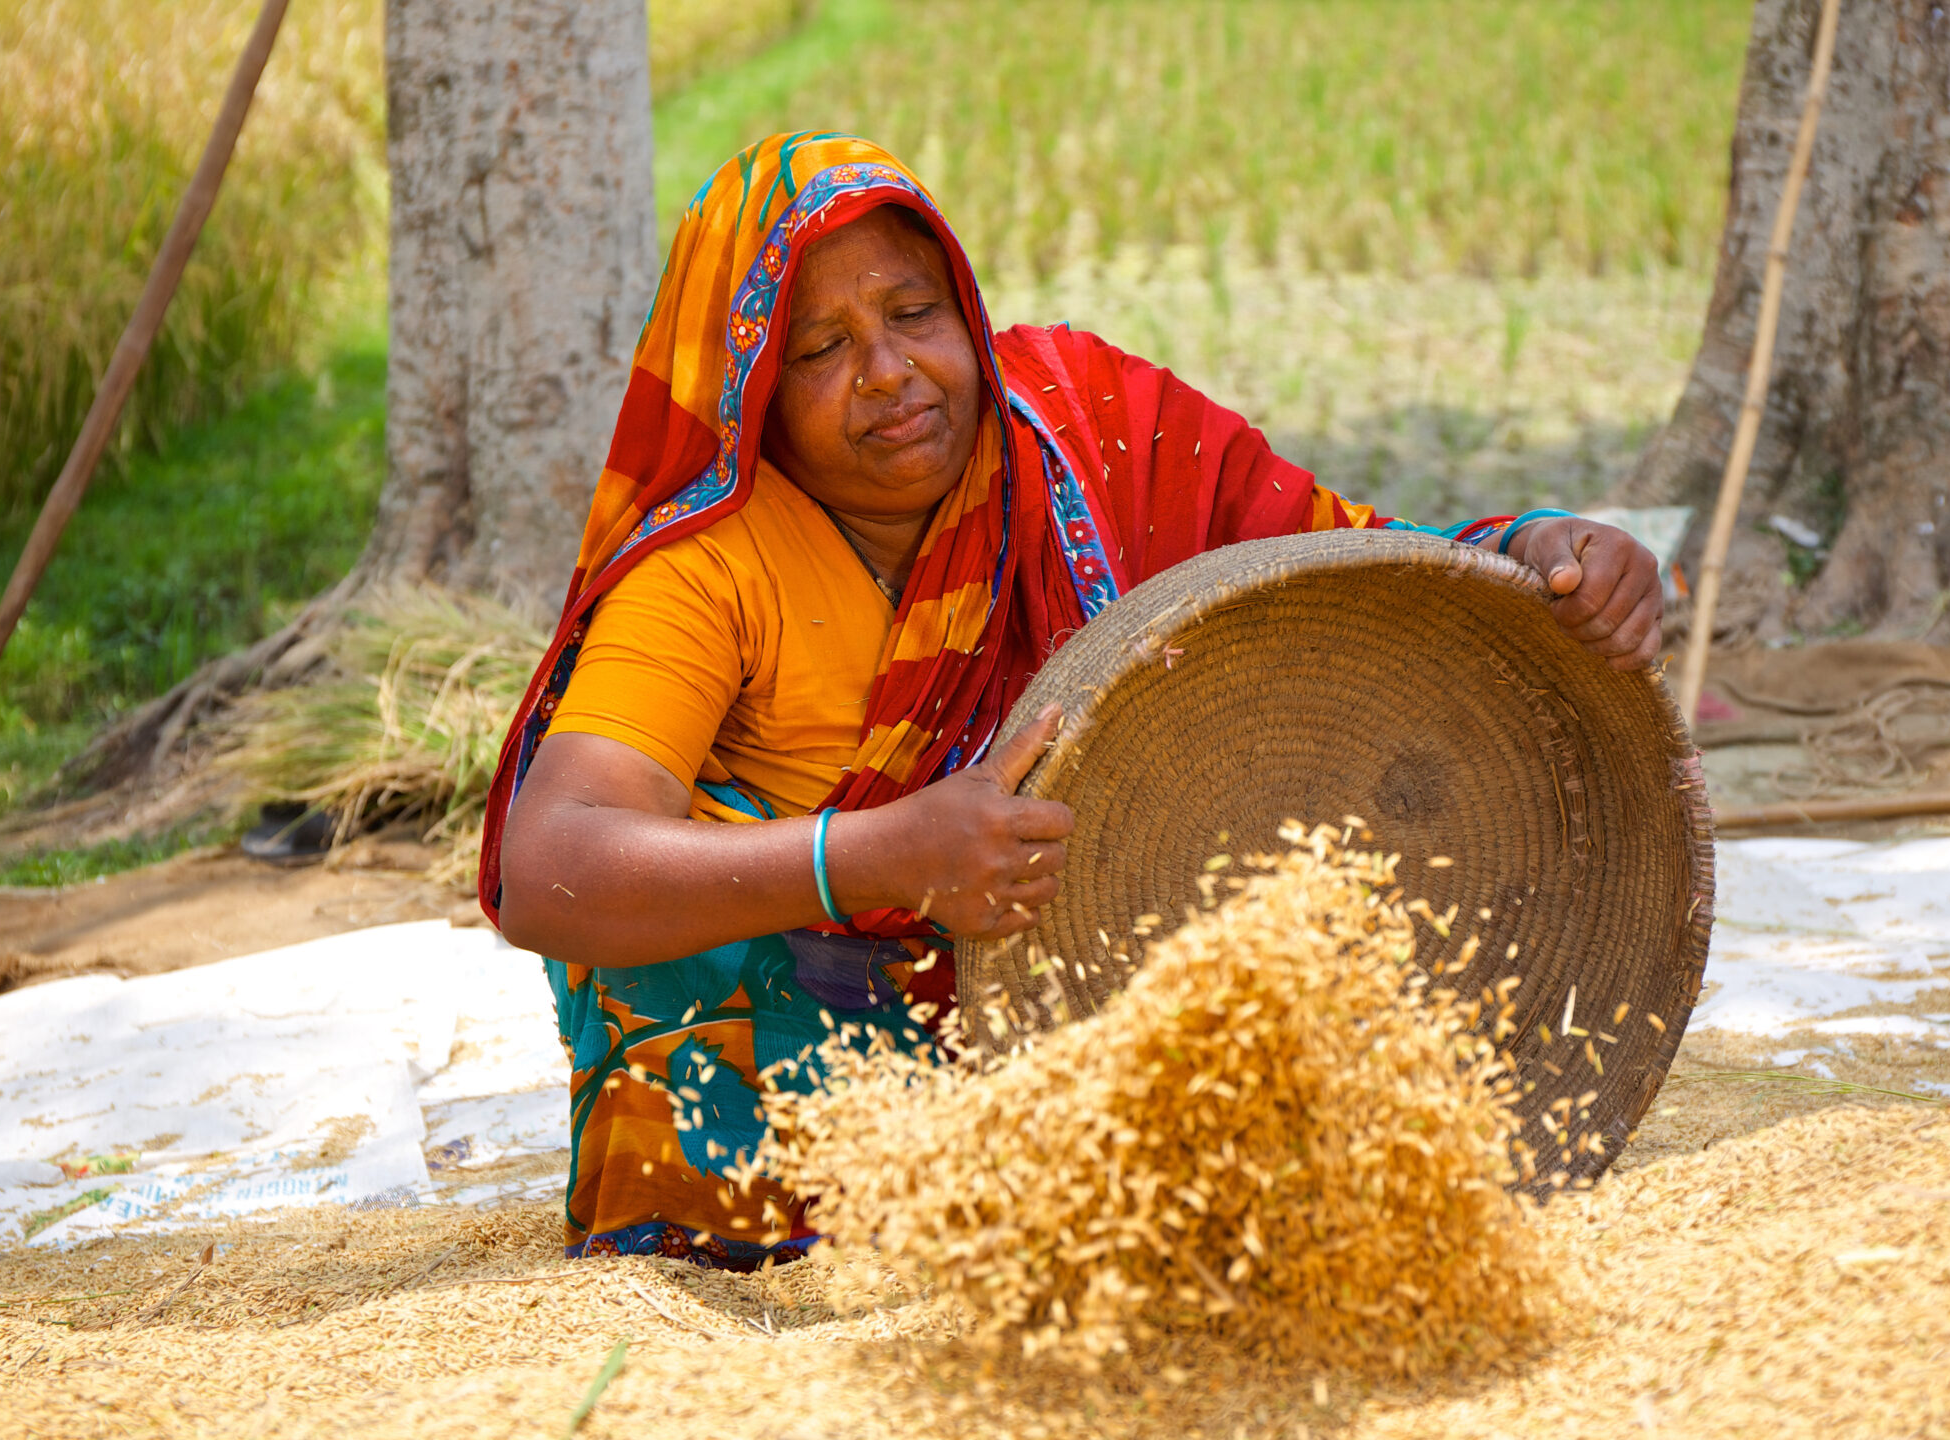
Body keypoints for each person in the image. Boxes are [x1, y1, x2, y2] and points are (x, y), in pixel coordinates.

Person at [482, 133, 1663, 1268]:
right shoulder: (709, 570)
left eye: (911, 315)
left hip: (1074, 993)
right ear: (750, 393)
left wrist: (1533, 552)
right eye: (820, 350)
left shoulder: (1081, 426)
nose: (888, 375)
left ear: (964, 311)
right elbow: (554, 868)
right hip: (804, 1066)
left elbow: (1330, 565)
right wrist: (880, 858)